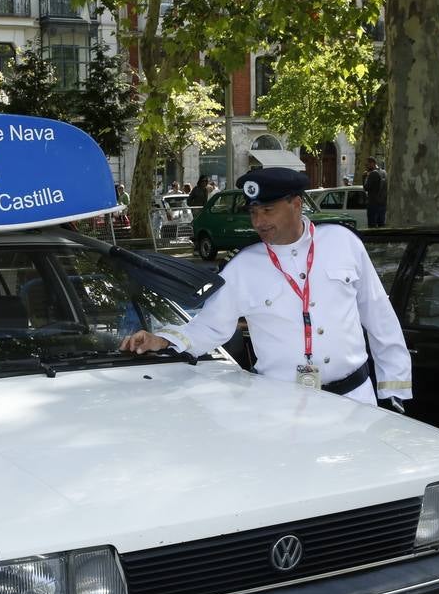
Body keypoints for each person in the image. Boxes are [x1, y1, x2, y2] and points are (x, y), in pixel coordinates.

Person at [119, 167, 412, 407]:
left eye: (268, 210)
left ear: (296, 205)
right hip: (279, 409)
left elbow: (379, 316)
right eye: (253, 212)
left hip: (355, 403)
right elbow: (210, 327)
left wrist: (394, 389)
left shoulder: (343, 243)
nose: (259, 221)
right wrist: (163, 339)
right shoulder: (243, 266)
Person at [362, 157, 388, 228]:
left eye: (366, 165)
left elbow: (366, 188)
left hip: (373, 204)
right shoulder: (384, 172)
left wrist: (364, 177)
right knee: (381, 225)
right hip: (383, 204)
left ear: (372, 163)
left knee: (372, 226)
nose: (366, 167)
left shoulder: (373, 174)